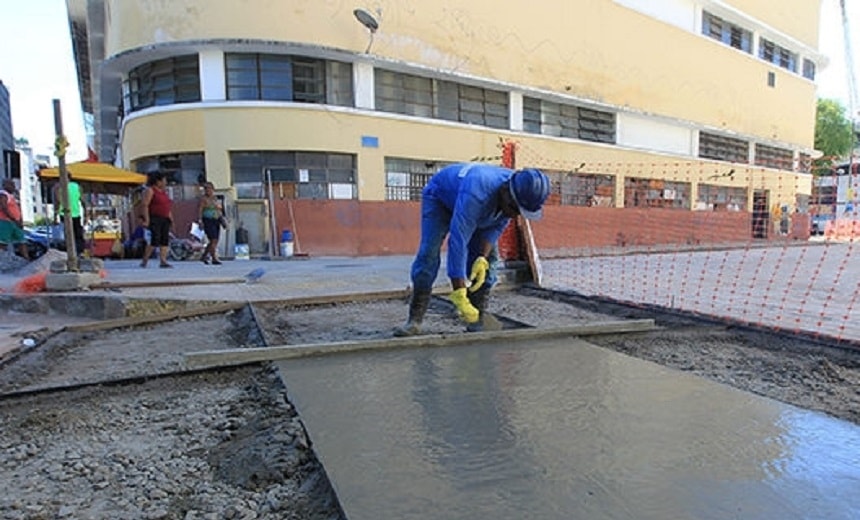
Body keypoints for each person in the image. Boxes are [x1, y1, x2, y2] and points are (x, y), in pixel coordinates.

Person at [393, 163, 550, 336]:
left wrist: (482, 257)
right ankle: (414, 320)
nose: (515, 215)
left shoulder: (516, 194)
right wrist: (459, 292)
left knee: (488, 263)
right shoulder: (478, 190)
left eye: (520, 212)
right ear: (506, 193)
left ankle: (476, 321)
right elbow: (458, 241)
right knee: (428, 254)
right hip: (440, 200)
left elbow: (496, 228)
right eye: (514, 209)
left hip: (482, 207)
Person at [140, 171, 174, 268]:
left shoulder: (163, 192)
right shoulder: (150, 191)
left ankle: (163, 260)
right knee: (155, 239)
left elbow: (167, 206)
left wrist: (170, 217)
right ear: (158, 181)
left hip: (165, 218)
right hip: (155, 218)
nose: (165, 182)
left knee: (165, 239)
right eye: (163, 180)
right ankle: (145, 260)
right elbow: (145, 205)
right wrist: (147, 219)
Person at [53, 180, 86, 255]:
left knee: (68, 235)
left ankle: (70, 252)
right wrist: (86, 214)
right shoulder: (77, 186)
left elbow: (57, 203)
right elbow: (83, 201)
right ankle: (79, 252)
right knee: (77, 235)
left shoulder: (58, 187)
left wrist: (55, 216)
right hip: (75, 214)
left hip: (64, 214)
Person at [197, 181, 226, 265]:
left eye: (209, 188)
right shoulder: (203, 199)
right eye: (206, 189)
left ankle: (204, 255)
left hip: (216, 219)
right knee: (212, 239)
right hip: (208, 220)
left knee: (215, 240)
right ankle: (214, 258)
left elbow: (219, 209)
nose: (208, 190)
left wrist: (222, 219)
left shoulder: (215, 198)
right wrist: (200, 221)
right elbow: (200, 210)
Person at [0, 179, 28, 259]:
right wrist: (14, 219)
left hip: (15, 222)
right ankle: (2, 259)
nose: (14, 187)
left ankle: (26, 258)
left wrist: (19, 220)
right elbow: (4, 208)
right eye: (12, 185)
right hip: (6, 222)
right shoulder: (3, 194)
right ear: (6, 185)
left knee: (22, 241)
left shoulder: (12, 195)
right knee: (3, 243)